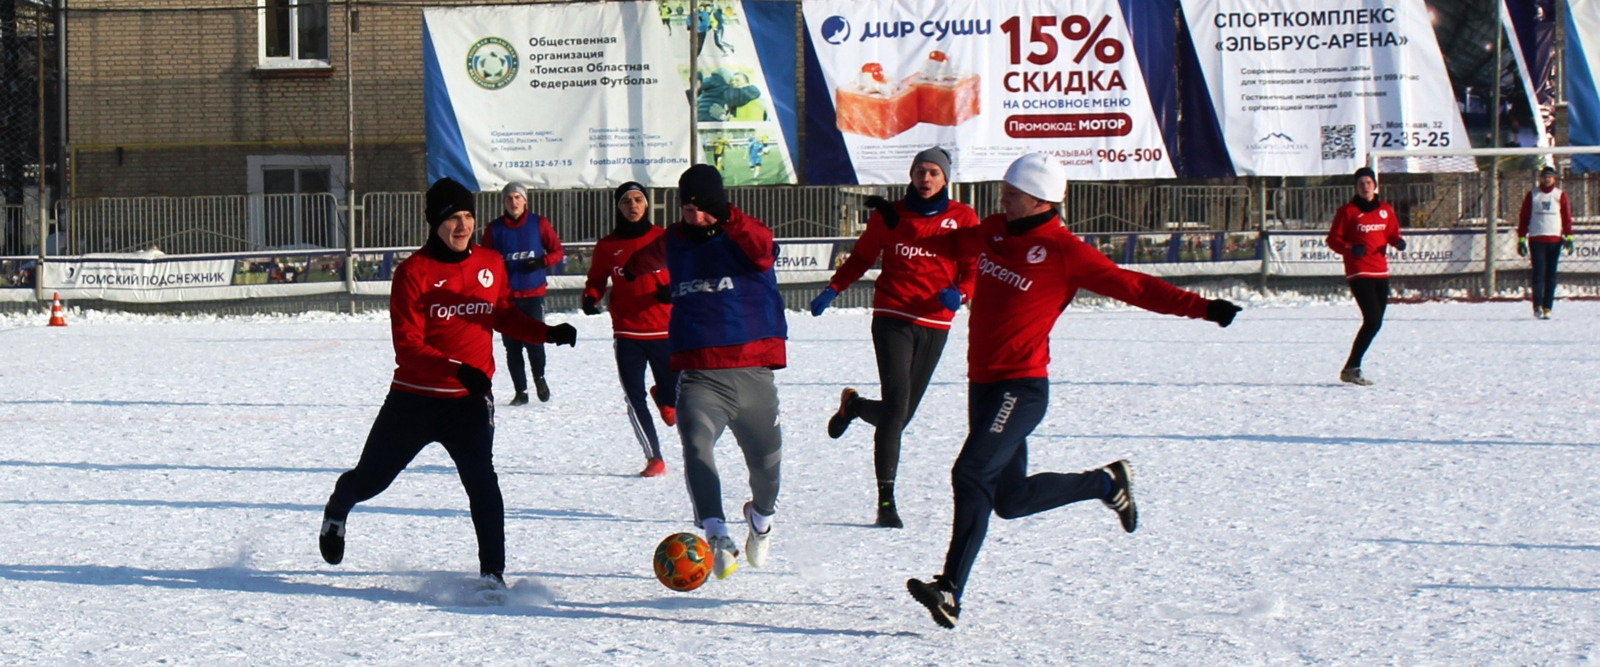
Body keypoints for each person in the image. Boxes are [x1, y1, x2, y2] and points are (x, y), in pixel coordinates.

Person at [905, 153, 1241, 629]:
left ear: (1041, 200)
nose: (1003, 199)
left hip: (1021, 388)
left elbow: (1134, 286)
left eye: (1013, 193)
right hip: (983, 386)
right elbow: (951, 242)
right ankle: (1106, 482)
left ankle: (951, 589)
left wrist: (1202, 308)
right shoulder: (997, 229)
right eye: (1004, 189)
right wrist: (901, 221)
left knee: (972, 472)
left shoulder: (1065, 251)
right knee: (1011, 499)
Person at [318, 177, 579, 591]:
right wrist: (458, 369)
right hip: (414, 399)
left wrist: (546, 333)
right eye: (452, 218)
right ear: (433, 223)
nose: (462, 226)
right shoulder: (412, 273)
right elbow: (408, 347)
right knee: (371, 479)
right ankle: (337, 508)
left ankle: (492, 576)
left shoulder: (491, 263)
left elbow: (503, 315)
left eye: (469, 216)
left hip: (470, 402)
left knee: (483, 485)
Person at [624, 163, 786, 581]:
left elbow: (766, 249)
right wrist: (631, 268)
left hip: (753, 370)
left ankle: (760, 518)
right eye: (687, 208)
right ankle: (716, 534)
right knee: (696, 445)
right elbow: (651, 254)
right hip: (699, 372)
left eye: (703, 208)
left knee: (766, 470)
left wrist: (728, 215)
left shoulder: (743, 236)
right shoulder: (675, 238)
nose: (694, 217)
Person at [810, 147, 979, 529]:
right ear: (911, 174)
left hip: (935, 322)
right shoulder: (890, 214)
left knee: (899, 417)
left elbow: (972, 268)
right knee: (897, 400)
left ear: (945, 178)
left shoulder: (963, 218)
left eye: (934, 172)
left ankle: (853, 407)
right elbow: (861, 258)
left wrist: (962, 293)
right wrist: (833, 288)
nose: (926, 178)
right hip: (892, 316)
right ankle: (886, 500)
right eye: (921, 170)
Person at [582, 182, 678, 478]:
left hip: (665, 331)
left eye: (638, 199)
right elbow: (597, 279)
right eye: (626, 201)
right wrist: (590, 297)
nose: (633, 206)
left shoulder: (664, 238)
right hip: (627, 333)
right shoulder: (608, 246)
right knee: (633, 396)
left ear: (646, 204)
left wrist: (672, 292)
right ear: (618, 207)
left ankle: (664, 396)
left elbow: (686, 274)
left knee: (676, 398)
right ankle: (654, 456)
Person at [482, 182, 566, 404]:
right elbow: (484, 261)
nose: (514, 202)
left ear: (525, 200)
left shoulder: (539, 224)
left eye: (517, 197)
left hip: (533, 294)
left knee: (535, 341)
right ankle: (521, 391)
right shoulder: (495, 229)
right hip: (506, 299)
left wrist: (541, 262)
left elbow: (557, 251)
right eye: (509, 198)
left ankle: (539, 377)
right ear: (503, 203)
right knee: (512, 347)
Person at [1324, 166, 1405, 386]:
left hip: (1381, 270)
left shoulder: (1386, 210)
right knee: (1373, 319)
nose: (1365, 187)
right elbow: (1333, 240)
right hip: (1359, 271)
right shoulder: (1348, 211)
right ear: (1356, 187)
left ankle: (1351, 367)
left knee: (1376, 322)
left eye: (1368, 182)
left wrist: (1397, 241)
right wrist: (1350, 248)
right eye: (1361, 183)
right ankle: (1352, 366)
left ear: (1375, 186)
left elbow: (1391, 232)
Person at [1516, 166, 1575, 320]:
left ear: (1554, 179)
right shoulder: (1533, 195)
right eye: (1544, 177)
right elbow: (1524, 217)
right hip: (1537, 239)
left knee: (1551, 275)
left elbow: (1566, 217)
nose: (1547, 179)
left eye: (1550, 177)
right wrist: (1521, 238)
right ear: (1540, 178)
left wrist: (1569, 237)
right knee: (1538, 274)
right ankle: (1537, 306)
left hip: (1555, 240)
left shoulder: (1559, 195)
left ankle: (1548, 306)